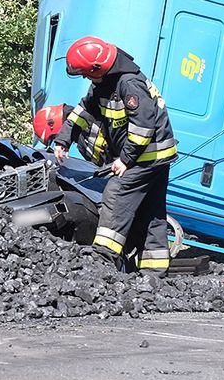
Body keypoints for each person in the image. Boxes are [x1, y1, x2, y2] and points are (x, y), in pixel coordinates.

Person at [52, 36, 176, 275]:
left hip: (148, 156)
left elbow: (143, 127)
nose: (86, 79)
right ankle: (154, 273)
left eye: (87, 74)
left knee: (116, 192)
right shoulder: (104, 82)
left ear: (98, 68)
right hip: (153, 156)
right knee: (150, 212)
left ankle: (103, 258)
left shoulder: (129, 85)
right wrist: (64, 138)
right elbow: (84, 110)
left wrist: (125, 160)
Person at [33, 103, 110, 166]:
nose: (57, 144)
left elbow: (76, 118)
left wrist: (62, 141)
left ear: (51, 123)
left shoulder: (88, 110)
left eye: (54, 137)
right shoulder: (82, 147)